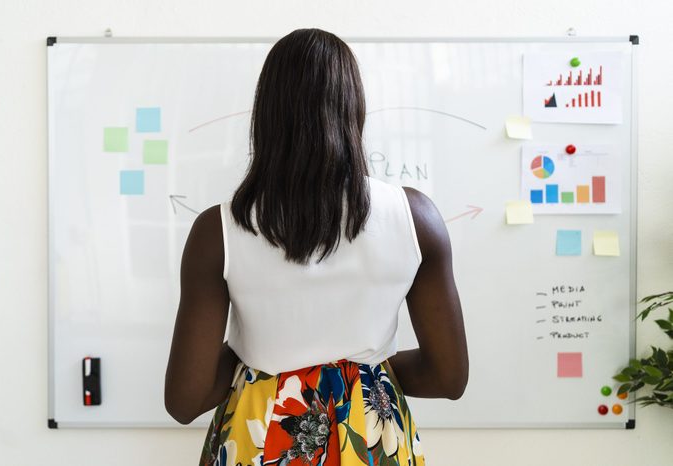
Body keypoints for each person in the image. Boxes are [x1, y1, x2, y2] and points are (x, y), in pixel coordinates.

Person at [164, 28, 468, 466]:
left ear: (266, 114)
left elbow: (185, 399)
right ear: (354, 108)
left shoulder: (219, 231)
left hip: (259, 435)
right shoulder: (415, 219)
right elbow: (449, 376)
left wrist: (263, 355)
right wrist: (362, 371)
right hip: (372, 441)